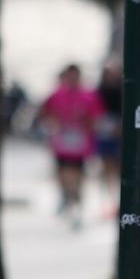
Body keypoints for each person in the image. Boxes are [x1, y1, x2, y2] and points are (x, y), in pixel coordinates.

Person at [36, 64, 103, 224]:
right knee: (63, 175)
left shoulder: (89, 96)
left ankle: (76, 202)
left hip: (80, 145)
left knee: (77, 176)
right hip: (61, 144)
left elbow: (96, 118)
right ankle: (67, 197)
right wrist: (51, 123)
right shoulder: (56, 95)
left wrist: (87, 124)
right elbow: (43, 112)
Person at [94, 59, 124, 204]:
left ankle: (114, 198)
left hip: (118, 130)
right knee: (106, 164)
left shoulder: (122, 89)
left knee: (117, 166)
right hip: (104, 130)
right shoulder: (99, 91)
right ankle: (109, 197)